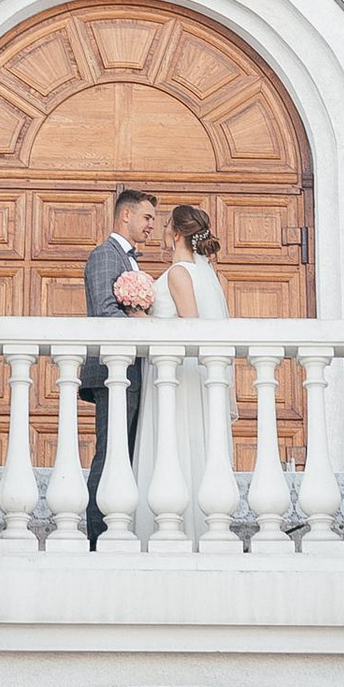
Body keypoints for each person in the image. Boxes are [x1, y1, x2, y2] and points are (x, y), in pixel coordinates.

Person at [134, 201, 229, 531]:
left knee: (172, 445)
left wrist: (139, 319)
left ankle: (174, 529)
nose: (161, 231)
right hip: (182, 377)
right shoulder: (202, 274)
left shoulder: (178, 273)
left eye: (165, 226)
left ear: (175, 234)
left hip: (175, 378)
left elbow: (190, 326)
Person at [82, 186, 158, 549]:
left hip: (132, 374)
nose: (151, 227)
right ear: (124, 215)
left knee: (125, 454)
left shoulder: (131, 260)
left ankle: (119, 528)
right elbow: (105, 312)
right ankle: (98, 536)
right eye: (147, 218)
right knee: (110, 453)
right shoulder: (104, 256)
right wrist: (143, 324)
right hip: (114, 374)